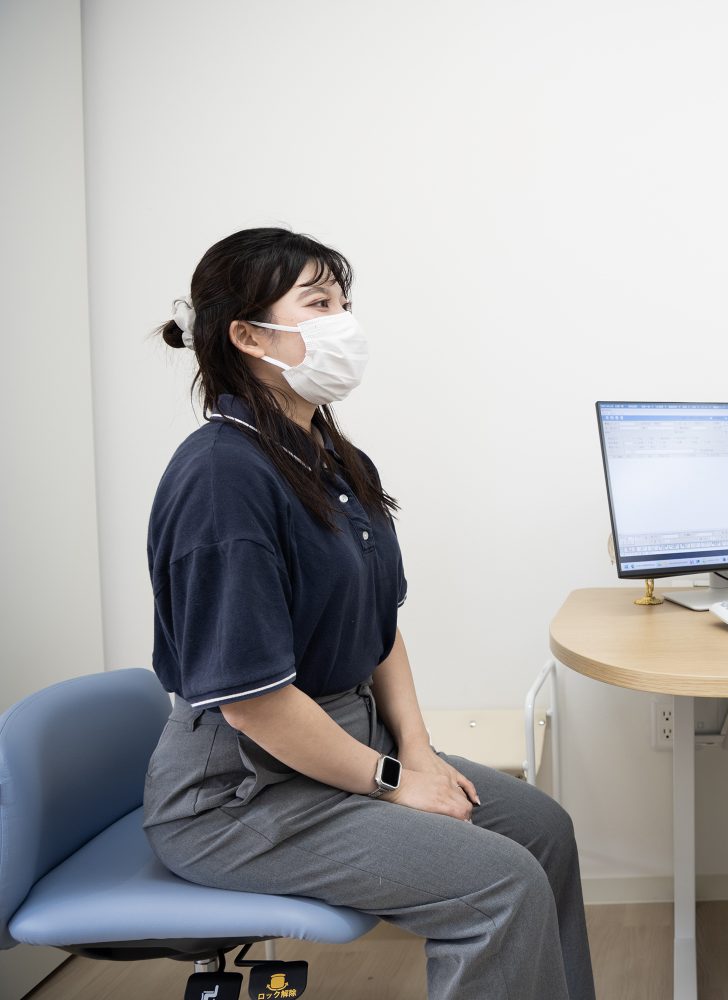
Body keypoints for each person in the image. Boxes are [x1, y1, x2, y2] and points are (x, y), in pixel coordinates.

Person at [143, 228, 595, 1000]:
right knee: (497, 885)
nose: (342, 324)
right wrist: (393, 781)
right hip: (242, 795)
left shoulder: (328, 455)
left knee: (541, 829)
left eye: (345, 304)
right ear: (247, 334)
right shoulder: (222, 478)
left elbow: (381, 628)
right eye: (318, 304)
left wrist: (416, 752)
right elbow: (253, 705)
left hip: (343, 749)